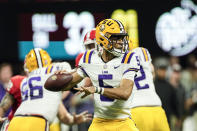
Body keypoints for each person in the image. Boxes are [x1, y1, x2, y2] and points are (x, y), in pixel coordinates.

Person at [46, 19, 140, 131]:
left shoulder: (129, 58)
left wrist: (96, 89)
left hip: (123, 121)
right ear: (102, 39)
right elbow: (70, 82)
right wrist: (61, 79)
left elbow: (125, 93)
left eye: (121, 37)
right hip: (99, 122)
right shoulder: (89, 58)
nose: (120, 41)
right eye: (116, 37)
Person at [7, 48, 92, 131]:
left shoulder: (25, 81)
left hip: (15, 122)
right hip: (37, 121)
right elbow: (79, 85)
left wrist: (73, 120)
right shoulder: (58, 68)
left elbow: (63, 116)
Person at [129, 47, 170, 131]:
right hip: (156, 108)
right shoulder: (143, 52)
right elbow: (152, 70)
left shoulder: (120, 61)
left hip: (136, 109)